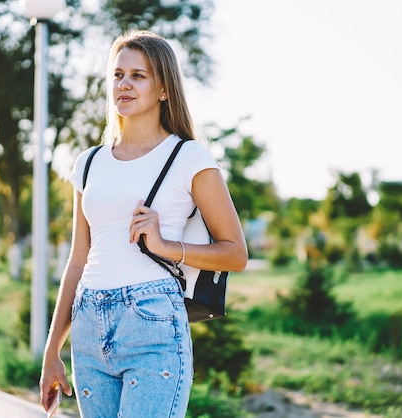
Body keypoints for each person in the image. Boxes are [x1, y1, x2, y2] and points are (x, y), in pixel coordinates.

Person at [39, 29, 248, 417]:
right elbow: (78, 259)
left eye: (139, 75)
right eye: (118, 75)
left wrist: (167, 247)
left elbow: (235, 254)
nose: (125, 84)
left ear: (164, 89)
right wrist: (52, 352)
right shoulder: (88, 163)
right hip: (88, 324)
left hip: (151, 321)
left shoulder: (188, 157)